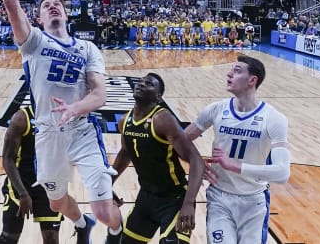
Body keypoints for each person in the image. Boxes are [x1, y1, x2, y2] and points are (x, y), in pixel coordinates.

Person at [0, 0, 123, 244]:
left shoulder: (88, 49)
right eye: (46, 6)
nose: (52, 6)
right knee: (58, 202)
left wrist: (76, 107)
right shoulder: (33, 43)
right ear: (40, 18)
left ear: (66, 13)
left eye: (57, 3)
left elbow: (100, 94)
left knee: (104, 208)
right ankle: (82, 223)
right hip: (47, 132)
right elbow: (11, 5)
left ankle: (115, 232)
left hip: (82, 129)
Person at [184, 55, 291, 244]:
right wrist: (198, 162)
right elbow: (181, 141)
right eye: (231, 69)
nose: (229, 74)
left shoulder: (274, 118)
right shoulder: (216, 109)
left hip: (254, 200)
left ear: (252, 80)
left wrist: (236, 166)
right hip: (219, 197)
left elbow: (282, 173)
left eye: (237, 70)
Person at [112, 73, 205, 243]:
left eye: (148, 84)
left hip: (174, 199)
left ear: (158, 97)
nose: (141, 84)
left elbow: (196, 160)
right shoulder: (125, 121)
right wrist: (107, 184)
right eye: (140, 81)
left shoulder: (162, 119)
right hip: (146, 197)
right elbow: (125, 154)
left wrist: (189, 203)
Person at [0, 106, 62, 244]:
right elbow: (7, 159)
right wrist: (23, 193)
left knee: (51, 239)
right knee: (8, 239)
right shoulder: (22, 118)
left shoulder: (63, 115)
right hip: (21, 183)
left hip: (49, 186)